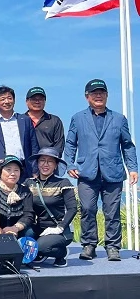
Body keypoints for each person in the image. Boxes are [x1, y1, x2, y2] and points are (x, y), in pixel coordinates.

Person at [64, 79, 138, 261]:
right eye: (94, 93)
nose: (98, 95)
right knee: (88, 209)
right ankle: (89, 245)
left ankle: (113, 246)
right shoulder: (78, 118)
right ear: (87, 97)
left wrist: (133, 168)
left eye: (101, 92)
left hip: (112, 173)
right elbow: (70, 144)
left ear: (106, 95)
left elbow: (127, 145)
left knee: (111, 212)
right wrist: (70, 164)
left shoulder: (119, 119)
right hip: (86, 173)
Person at [25, 148, 77, 267]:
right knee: (22, 238)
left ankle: (61, 253)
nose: (45, 164)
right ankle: (39, 251)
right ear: (37, 163)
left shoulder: (63, 183)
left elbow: (72, 208)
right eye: (42, 160)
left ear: (56, 165)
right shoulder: (29, 183)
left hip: (57, 230)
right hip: (36, 228)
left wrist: (60, 227)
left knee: (41, 247)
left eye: (50, 161)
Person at [0, 86, 39, 180]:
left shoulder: (25, 120)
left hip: (24, 169)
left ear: (14, 100)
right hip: (1, 170)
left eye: (9, 98)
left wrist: (35, 170)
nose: (7, 102)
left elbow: (34, 147)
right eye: (2, 99)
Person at [0, 156, 34, 237]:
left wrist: (15, 228)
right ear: (0, 171)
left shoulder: (25, 191)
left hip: (17, 229)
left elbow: (28, 215)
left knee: (29, 233)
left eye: (16, 170)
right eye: (8, 170)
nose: (13, 173)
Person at [24, 87, 65, 155]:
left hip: (47, 161)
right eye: (34, 99)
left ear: (45, 101)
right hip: (24, 163)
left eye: (40, 99)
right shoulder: (20, 120)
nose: (37, 102)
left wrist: (50, 160)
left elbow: (59, 146)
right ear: (27, 101)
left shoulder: (54, 120)